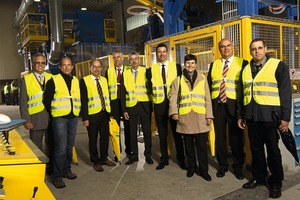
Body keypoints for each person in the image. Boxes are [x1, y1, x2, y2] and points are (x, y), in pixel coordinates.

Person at [237, 38, 291, 199]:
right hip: (252, 117)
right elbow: (242, 95)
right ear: (250, 51)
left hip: (271, 117)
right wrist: (241, 115)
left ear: (265, 49)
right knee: (256, 150)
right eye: (253, 49)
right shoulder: (246, 70)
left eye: (260, 48)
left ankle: (276, 182)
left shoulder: (278, 66)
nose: (257, 51)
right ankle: (259, 177)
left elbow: (285, 93)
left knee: (273, 151)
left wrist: (285, 118)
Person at [207, 38, 248, 180]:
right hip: (217, 106)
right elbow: (208, 86)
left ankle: (238, 167)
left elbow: (245, 88)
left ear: (233, 47)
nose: (226, 49)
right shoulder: (213, 65)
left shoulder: (243, 63)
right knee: (220, 138)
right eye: (223, 47)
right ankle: (222, 166)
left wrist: (242, 111)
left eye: (228, 46)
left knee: (236, 138)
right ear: (219, 49)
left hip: (234, 107)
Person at [169, 54, 213, 181]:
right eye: (188, 63)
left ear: (196, 64)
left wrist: (209, 115)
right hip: (185, 117)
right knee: (188, 147)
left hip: (200, 117)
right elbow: (173, 98)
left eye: (192, 63)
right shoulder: (178, 80)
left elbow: (208, 99)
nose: (190, 65)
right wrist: (174, 112)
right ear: (184, 64)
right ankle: (192, 168)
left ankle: (204, 170)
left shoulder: (203, 79)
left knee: (202, 147)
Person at [146, 43, 186, 170]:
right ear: (156, 54)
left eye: (164, 51)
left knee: (177, 133)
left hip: (173, 104)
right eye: (159, 52)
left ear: (167, 53)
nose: (162, 54)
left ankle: (181, 159)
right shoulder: (150, 70)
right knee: (162, 134)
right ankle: (164, 159)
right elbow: (149, 88)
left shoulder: (177, 67)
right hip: (159, 104)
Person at [43, 57, 81, 189]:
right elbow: (46, 100)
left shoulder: (75, 80)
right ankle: (57, 176)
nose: (67, 67)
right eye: (64, 65)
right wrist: (55, 112)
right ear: (60, 67)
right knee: (60, 148)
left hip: (73, 117)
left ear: (72, 66)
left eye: (69, 65)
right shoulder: (53, 80)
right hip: (60, 118)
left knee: (69, 146)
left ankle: (66, 169)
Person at [80, 58, 116, 172]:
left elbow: (107, 97)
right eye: (94, 67)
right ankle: (95, 161)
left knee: (105, 137)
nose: (97, 69)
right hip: (92, 115)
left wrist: (110, 113)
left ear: (101, 68)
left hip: (104, 113)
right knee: (93, 139)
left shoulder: (104, 80)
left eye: (98, 67)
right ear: (90, 68)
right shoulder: (84, 81)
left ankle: (103, 158)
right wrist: (85, 117)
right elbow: (84, 100)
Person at [121, 51, 153, 165]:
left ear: (139, 60)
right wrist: (124, 109)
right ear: (129, 61)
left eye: (136, 59)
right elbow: (122, 93)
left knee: (147, 132)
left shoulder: (146, 71)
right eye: (132, 59)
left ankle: (148, 155)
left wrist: (152, 106)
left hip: (144, 105)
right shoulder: (125, 73)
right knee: (131, 132)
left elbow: (152, 88)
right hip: (131, 106)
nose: (134, 61)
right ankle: (133, 156)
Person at [19, 53, 52, 152]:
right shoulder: (26, 80)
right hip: (35, 119)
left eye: (43, 63)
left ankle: (49, 167)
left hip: (51, 118)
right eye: (37, 63)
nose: (40, 65)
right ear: (33, 64)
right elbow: (23, 102)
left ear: (45, 64)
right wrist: (26, 120)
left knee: (51, 146)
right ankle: (39, 167)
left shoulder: (51, 77)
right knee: (36, 148)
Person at [105, 51, 130, 160]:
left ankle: (129, 151)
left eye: (118, 57)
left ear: (123, 58)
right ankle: (117, 152)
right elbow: (106, 90)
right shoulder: (109, 71)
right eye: (114, 58)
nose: (116, 59)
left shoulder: (129, 70)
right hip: (114, 103)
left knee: (128, 128)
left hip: (127, 102)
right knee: (115, 129)